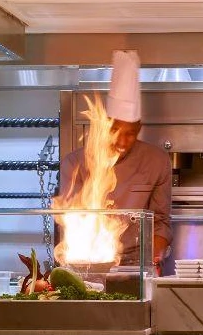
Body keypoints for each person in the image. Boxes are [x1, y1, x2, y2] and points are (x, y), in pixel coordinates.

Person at [55, 49, 172, 270]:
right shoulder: (74, 164)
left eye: (130, 133)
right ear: (104, 125)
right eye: (116, 129)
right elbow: (72, 221)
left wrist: (154, 258)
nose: (122, 140)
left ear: (139, 129)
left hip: (138, 263)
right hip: (89, 262)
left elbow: (161, 222)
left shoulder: (157, 161)